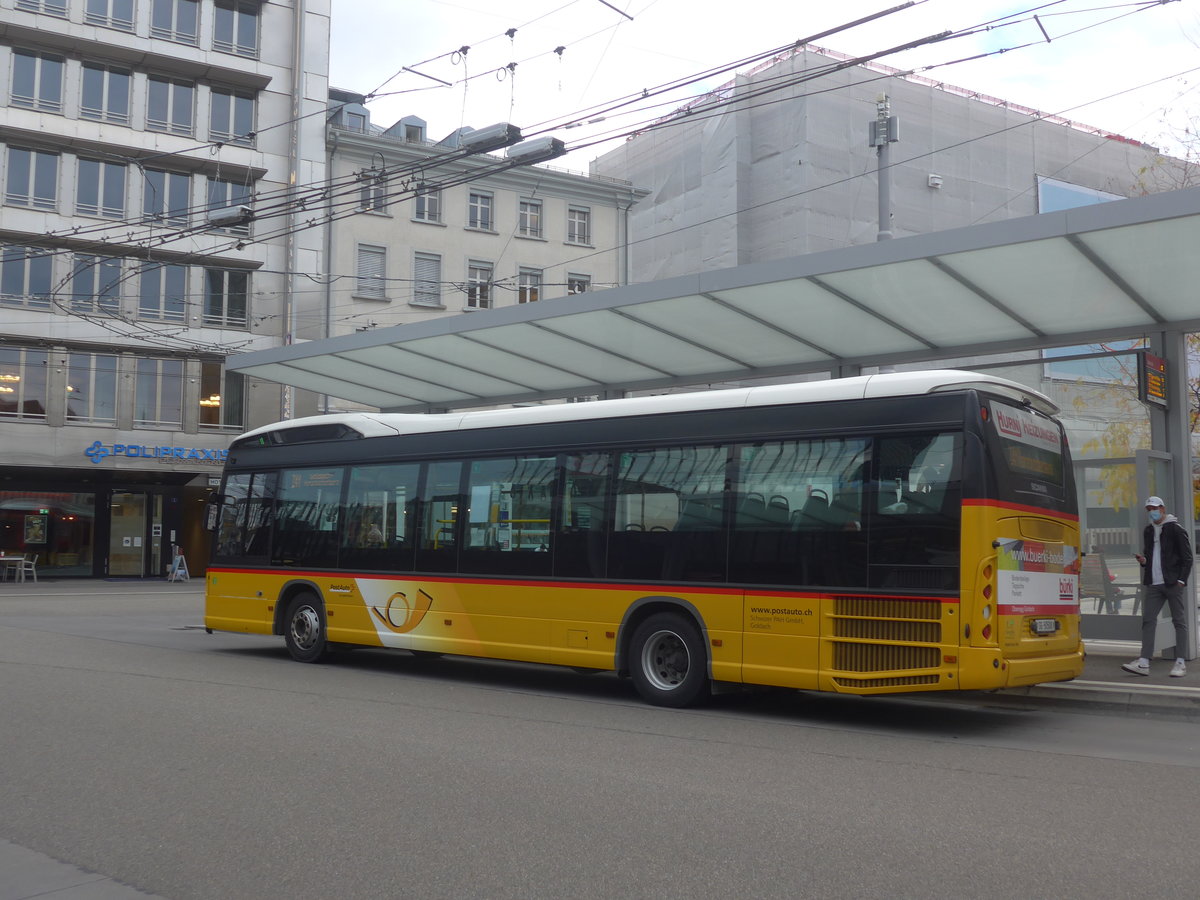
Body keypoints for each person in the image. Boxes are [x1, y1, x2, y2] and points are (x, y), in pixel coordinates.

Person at [1122, 496, 1193, 678]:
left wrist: (1181, 581)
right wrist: (1144, 561)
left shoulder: (1175, 529)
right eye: (1148, 509)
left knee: (1179, 621)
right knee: (1148, 620)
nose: (1151, 512)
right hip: (1154, 583)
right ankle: (1144, 662)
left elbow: (1187, 558)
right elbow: (1153, 557)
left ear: (1162, 508)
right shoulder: (1148, 531)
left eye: (1154, 508)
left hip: (1172, 583)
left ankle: (1180, 662)